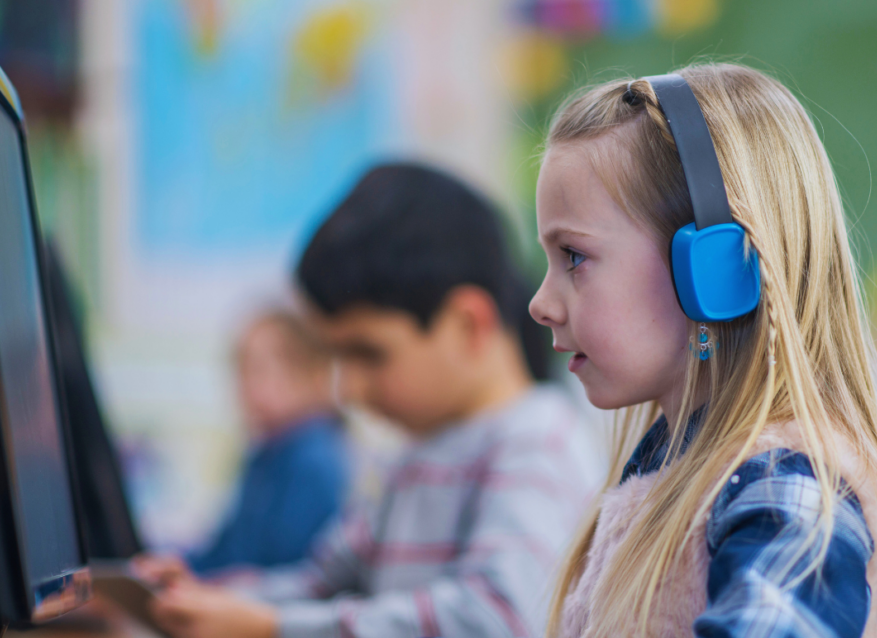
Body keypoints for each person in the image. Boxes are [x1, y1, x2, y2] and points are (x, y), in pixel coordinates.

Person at [528, 64, 877, 637]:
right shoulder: (668, 468)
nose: (540, 303)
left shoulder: (786, 485)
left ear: (712, 269)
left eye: (574, 258)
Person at [140, 163, 603, 638]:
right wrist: (210, 599)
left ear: (468, 326)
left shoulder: (538, 441)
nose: (350, 389)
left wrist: (272, 627)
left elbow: (498, 620)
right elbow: (322, 584)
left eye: (368, 353)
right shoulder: (414, 456)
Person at [186, 310, 349, 575]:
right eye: (239, 370)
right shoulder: (266, 453)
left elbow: (294, 570)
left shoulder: (313, 457)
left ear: (312, 372)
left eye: (259, 370)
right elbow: (225, 553)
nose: (245, 386)